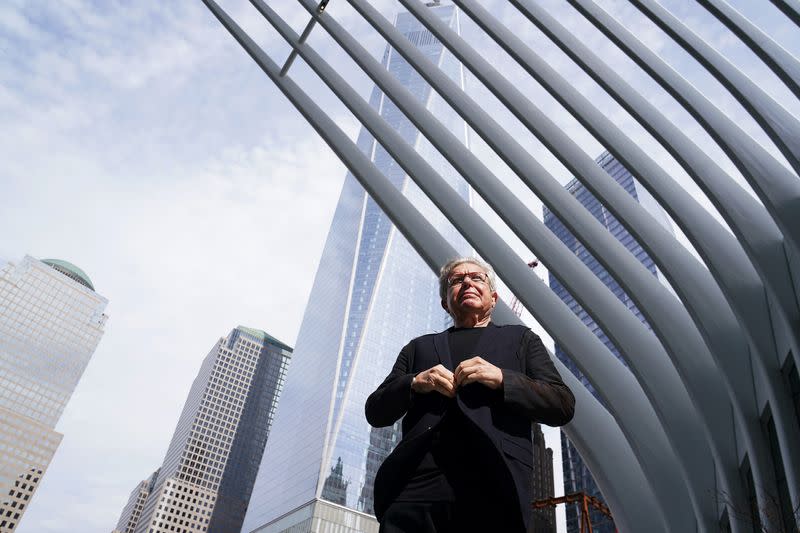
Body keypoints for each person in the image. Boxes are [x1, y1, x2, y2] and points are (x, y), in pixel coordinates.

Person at [365, 257, 575, 533]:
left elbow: (562, 403)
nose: (467, 282)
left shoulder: (522, 340)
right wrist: (415, 381)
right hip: (415, 494)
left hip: (495, 488)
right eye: (456, 280)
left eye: (477, 278)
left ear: (494, 297)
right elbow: (376, 411)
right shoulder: (418, 348)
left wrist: (503, 379)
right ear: (445, 302)